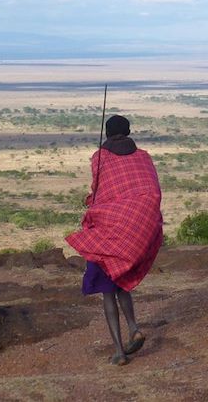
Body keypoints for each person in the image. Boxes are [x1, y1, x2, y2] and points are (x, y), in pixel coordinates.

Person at [66, 115, 163, 365]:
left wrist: (93, 204)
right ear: (128, 131)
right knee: (122, 284)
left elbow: (100, 190)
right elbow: (151, 190)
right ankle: (133, 327)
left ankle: (119, 352)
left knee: (108, 293)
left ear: (107, 134)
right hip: (134, 229)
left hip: (108, 232)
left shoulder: (101, 157)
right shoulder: (143, 156)